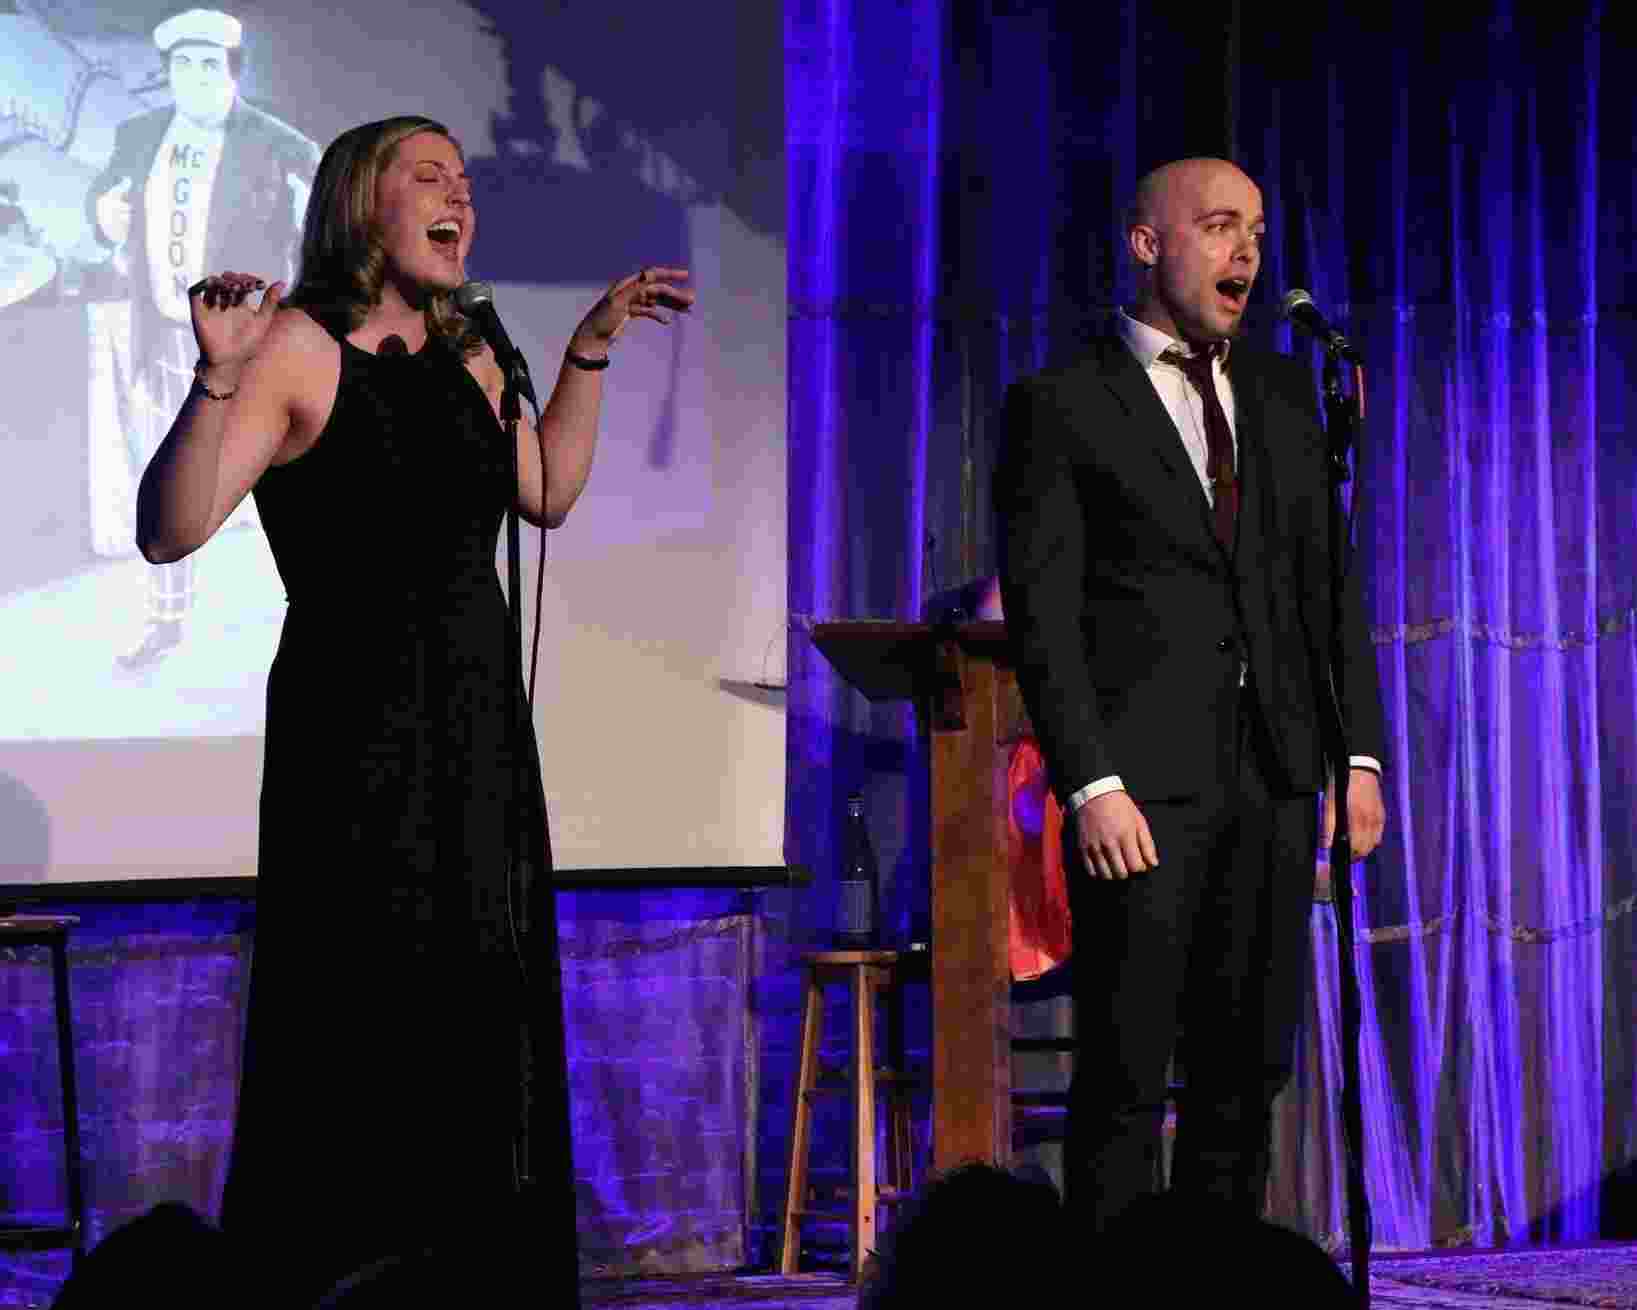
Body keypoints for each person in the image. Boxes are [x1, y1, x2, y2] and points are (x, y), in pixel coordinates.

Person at [134, 114, 692, 1304]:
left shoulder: (476, 350)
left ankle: (480, 1278)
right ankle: (344, 1278)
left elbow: (543, 491)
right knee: (364, 1002)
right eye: (427, 177)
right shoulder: (294, 346)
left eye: (466, 183)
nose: (460, 198)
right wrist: (216, 373)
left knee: (480, 1004)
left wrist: (586, 353)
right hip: (358, 725)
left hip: (482, 728)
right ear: (359, 206)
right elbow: (169, 526)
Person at [993, 157, 1387, 1235]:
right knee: (1123, 1072)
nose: (1244, 252)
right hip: (1140, 793)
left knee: (1243, 1068)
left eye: (1254, 229)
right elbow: (1043, 611)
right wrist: (1089, 780)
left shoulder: (1273, 394)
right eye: (1217, 227)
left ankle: (1215, 1285)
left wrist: (1354, 755)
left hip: (1269, 779)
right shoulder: (1060, 404)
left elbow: (1322, 586)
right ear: (1145, 243)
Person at [86, 7, 320, 669]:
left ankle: (302, 619)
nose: (193, 78)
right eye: (181, 65)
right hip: (165, 335)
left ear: (232, 73)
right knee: (168, 477)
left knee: (281, 475)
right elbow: (103, 205)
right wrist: (104, 218)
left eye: (207, 65)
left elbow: (324, 237)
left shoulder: (280, 145)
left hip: (257, 345)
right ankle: (167, 619)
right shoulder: (138, 135)